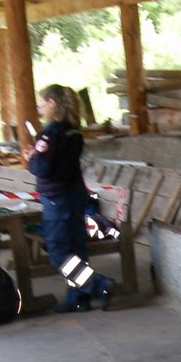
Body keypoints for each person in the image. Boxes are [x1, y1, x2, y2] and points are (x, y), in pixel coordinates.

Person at [26, 85, 115, 313]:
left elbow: (42, 168)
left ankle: (97, 284)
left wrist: (31, 157)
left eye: (41, 104)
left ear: (52, 103)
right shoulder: (73, 132)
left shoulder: (50, 133)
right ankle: (78, 299)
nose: (39, 109)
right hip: (75, 196)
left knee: (57, 252)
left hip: (57, 198)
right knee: (76, 249)